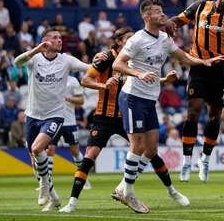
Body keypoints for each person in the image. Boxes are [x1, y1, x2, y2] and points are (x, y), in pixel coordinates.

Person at [112, 0, 223, 212]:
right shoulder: (136, 39)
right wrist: (138, 73)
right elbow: (118, 64)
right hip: (132, 97)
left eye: (162, 10)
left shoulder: (163, 38)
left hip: (149, 100)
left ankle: (122, 187)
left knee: (151, 149)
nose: (162, 15)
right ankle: (129, 192)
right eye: (157, 11)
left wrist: (203, 62)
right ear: (147, 18)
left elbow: (183, 58)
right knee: (137, 146)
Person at [60, 27, 179, 213]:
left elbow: (146, 81)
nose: (133, 41)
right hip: (104, 116)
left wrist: (164, 79)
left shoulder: (136, 59)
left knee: (150, 151)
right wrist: (104, 85)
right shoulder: (107, 58)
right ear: (118, 42)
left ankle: (171, 190)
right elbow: (85, 80)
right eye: (128, 38)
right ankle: (72, 202)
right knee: (90, 156)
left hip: (126, 114)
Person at [164, 0, 224, 184]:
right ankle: (186, 161)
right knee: (193, 111)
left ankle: (205, 159)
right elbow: (179, 19)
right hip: (199, 66)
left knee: (214, 117)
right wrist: (169, 22)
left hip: (220, 70)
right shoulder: (200, 6)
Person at [14, 28, 106, 210]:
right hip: (32, 115)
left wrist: (99, 60)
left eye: (60, 38)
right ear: (45, 41)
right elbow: (17, 62)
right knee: (34, 160)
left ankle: (43, 186)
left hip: (55, 115)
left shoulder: (66, 60)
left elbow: (89, 68)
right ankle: (54, 197)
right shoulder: (35, 59)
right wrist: (36, 49)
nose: (59, 40)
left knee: (38, 148)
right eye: (55, 38)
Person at [43, 76, 89, 189]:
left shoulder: (73, 81)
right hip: (53, 121)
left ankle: (84, 178)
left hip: (69, 122)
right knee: (49, 150)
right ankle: (47, 182)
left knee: (75, 151)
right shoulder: (51, 78)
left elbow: (81, 100)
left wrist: (67, 98)